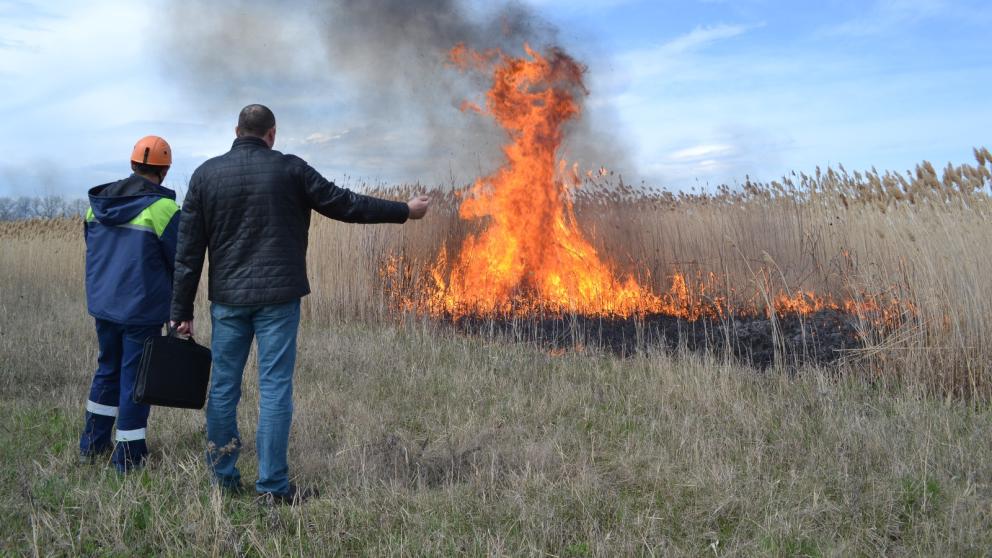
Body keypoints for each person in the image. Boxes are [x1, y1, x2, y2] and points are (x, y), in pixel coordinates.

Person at [170, 104, 430, 504]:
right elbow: (346, 204)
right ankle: (272, 488)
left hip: (228, 300)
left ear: (236, 131)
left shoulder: (206, 175)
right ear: (271, 134)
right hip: (278, 299)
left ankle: (222, 479)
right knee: (274, 389)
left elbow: (188, 252)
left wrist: (179, 312)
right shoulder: (291, 169)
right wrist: (405, 212)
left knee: (223, 388)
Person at [80, 135, 180, 472]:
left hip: (104, 304)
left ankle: (92, 444)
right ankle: (129, 456)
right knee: (136, 380)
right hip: (141, 308)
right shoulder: (164, 209)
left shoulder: (95, 205)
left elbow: (92, 248)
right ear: (164, 171)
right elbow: (179, 261)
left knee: (106, 369)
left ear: (132, 164)